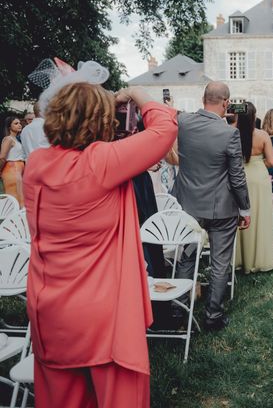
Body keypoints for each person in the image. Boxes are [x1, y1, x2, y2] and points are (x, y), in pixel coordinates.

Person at [23, 62, 177, 407]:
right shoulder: (102, 162)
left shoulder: (36, 166)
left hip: (50, 310)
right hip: (102, 314)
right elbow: (164, 127)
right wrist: (135, 94)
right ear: (98, 121)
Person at [172, 81, 251, 331]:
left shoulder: (183, 122)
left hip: (187, 206)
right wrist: (245, 208)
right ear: (226, 103)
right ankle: (213, 315)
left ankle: (177, 310)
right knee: (219, 263)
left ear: (202, 98)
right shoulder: (229, 133)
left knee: (186, 259)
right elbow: (237, 177)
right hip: (221, 209)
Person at [235, 102, 273, 273]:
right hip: (259, 177)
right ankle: (259, 259)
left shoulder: (232, 134)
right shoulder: (262, 135)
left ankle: (239, 260)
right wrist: (258, 163)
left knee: (240, 215)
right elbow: (272, 162)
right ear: (253, 116)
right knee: (260, 216)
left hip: (239, 176)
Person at [0, 116, 26, 206]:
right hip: (11, 170)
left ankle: (18, 218)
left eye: (19, 123)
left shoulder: (17, 140)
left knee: (20, 197)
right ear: (9, 127)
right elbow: (2, 157)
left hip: (18, 170)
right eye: (16, 123)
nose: (19, 125)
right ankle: (12, 218)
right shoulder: (8, 139)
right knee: (14, 198)